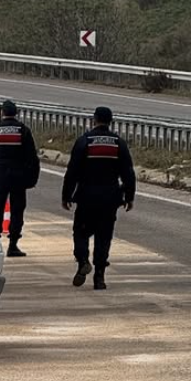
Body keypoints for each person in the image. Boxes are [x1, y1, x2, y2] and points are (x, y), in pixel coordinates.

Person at [62, 106, 136, 291]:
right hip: (109, 197)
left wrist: (66, 195)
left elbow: (72, 172)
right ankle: (100, 277)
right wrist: (129, 196)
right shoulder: (118, 143)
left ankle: (83, 261)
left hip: (86, 196)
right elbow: (128, 173)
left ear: (94, 119)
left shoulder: (84, 141)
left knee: (80, 232)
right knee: (104, 236)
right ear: (111, 121)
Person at [0, 99, 40, 257]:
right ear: (17, 113)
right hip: (18, 178)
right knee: (17, 211)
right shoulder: (23, 131)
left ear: (1, 112)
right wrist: (32, 179)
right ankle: (13, 245)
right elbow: (32, 159)